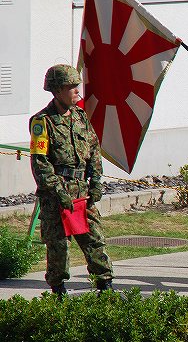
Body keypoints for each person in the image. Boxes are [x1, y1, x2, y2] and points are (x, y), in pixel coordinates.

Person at [29, 64, 114, 295]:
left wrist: (96, 183)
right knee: (59, 247)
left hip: (82, 192)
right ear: (57, 90)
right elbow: (40, 163)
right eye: (71, 86)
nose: (77, 91)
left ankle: (105, 287)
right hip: (57, 195)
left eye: (77, 85)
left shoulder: (80, 116)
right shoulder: (42, 122)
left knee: (95, 240)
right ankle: (58, 292)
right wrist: (58, 191)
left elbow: (93, 149)